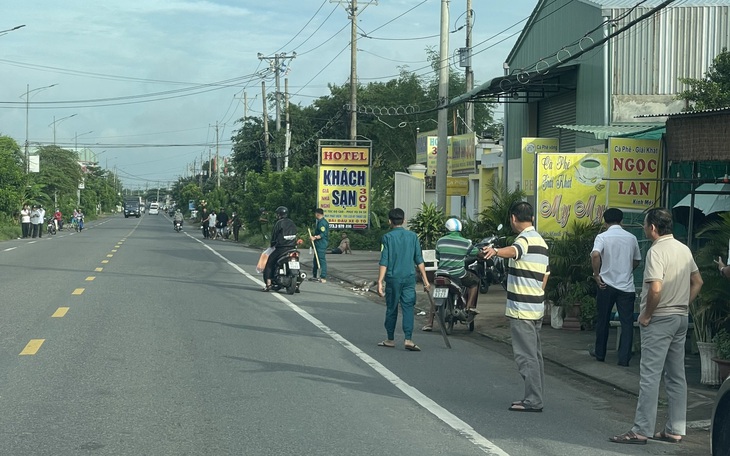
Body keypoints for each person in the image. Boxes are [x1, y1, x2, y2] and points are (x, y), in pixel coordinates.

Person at [609, 208, 703, 445]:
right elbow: (697, 281)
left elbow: (656, 288)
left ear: (652, 227)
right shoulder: (684, 249)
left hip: (659, 318)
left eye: (644, 224)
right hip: (680, 317)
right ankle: (675, 429)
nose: (643, 228)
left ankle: (641, 430)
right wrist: (682, 302)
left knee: (650, 376)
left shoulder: (656, 251)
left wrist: (646, 315)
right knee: (676, 376)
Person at [483, 201, 549, 412]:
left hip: (522, 308)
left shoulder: (525, 240)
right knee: (535, 356)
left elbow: (514, 251)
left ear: (513, 218)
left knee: (526, 356)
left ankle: (533, 400)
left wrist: (494, 251)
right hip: (536, 306)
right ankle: (535, 396)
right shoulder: (541, 241)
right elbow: (545, 276)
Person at [589, 208, 642, 367]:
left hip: (606, 284)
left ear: (605, 222)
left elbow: (595, 254)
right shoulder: (631, 238)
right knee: (627, 323)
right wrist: (627, 269)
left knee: (603, 320)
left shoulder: (602, 237)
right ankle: (624, 359)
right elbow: (637, 260)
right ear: (622, 221)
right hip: (626, 286)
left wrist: (596, 274)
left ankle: (600, 353)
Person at [376, 208, 430, 351]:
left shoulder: (387, 238)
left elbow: (384, 260)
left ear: (389, 221)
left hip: (393, 278)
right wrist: (426, 280)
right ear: (404, 220)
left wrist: (380, 281)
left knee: (392, 308)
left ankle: (390, 339)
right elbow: (419, 259)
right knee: (408, 308)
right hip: (409, 278)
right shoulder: (413, 237)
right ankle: (408, 339)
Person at [422, 217, 483, 331]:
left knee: (436, 297)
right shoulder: (466, 243)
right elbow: (477, 253)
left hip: (441, 274)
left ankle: (429, 323)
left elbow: (438, 256)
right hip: (458, 274)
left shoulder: (440, 241)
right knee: (474, 282)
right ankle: (468, 308)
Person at [262, 206, 298, 292]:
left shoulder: (279, 223)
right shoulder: (292, 222)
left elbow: (274, 236)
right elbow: (296, 234)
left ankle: (268, 283)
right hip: (292, 248)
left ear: (279, 214)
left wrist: (272, 244)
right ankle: (296, 285)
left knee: (269, 263)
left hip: (281, 248)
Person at [309, 208, 329, 282]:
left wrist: (315, 237)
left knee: (321, 259)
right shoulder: (319, 222)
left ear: (318, 214)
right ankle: (315, 275)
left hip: (321, 244)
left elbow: (323, 234)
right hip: (317, 244)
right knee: (316, 260)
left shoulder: (322, 223)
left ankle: (323, 276)